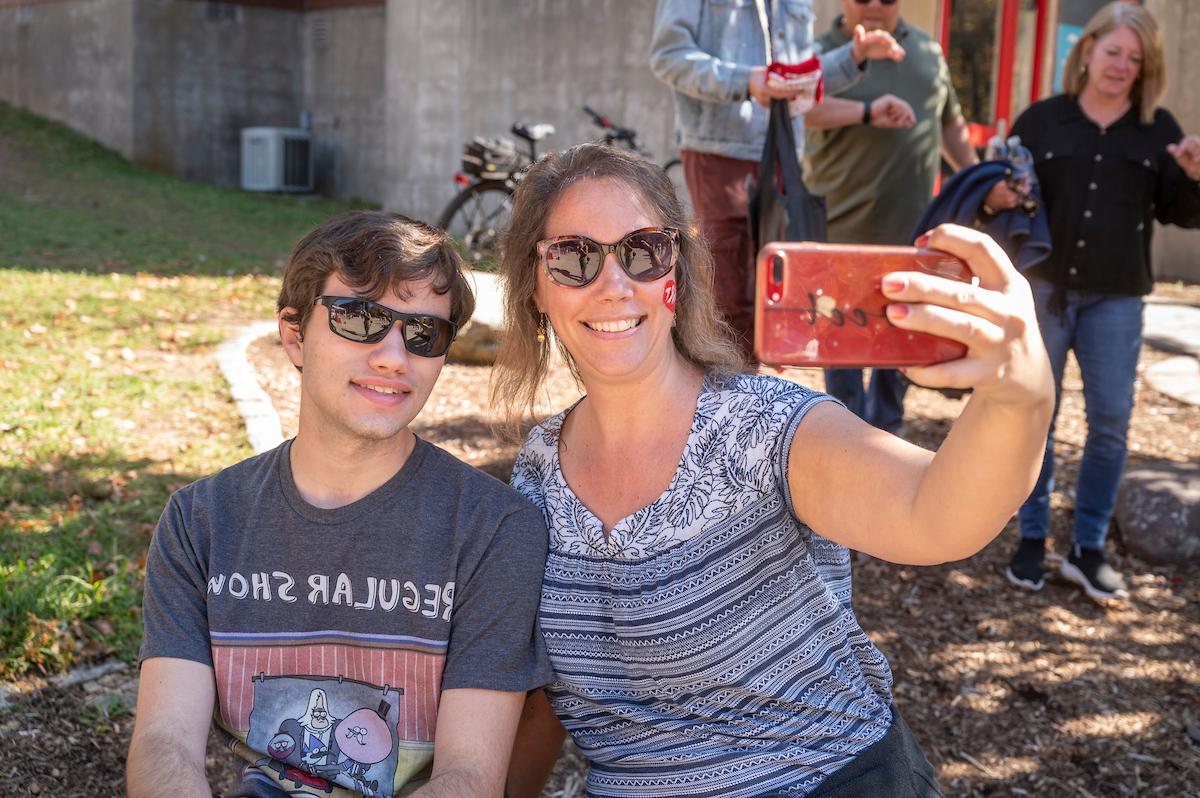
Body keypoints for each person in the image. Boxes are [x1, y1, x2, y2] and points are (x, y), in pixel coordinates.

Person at [493, 143, 1053, 798]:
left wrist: (1021, 398)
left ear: (680, 267)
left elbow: (934, 514)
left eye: (643, 250)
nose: (614, 283)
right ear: (535, 287)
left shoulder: (766, 429)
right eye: (574, 257)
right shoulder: (536, 470)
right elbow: (535, 691)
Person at [126, 211, 553, 798]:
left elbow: (469, 777)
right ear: (295, 335)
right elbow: (163, 743)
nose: (393, 357)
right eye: (361, 319)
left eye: (423, 334)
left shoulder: (494, 530)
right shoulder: (201, 522)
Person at [1001, 2, 1200, 602]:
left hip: (1116, 300)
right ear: (1086, 51)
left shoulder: (1159, 131)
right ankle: (1032, 541)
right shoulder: (1040, 122)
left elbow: (1183, 215)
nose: (1121, 65)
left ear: (1145, 69)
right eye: (1113, 51)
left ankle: (1088, 549)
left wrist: (1194, 177)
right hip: (1045, 290)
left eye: (1134, 59)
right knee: (1035, 418)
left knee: (1110, 425)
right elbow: (1012, 206)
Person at [649, 0, 911, 359]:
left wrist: (852, 57)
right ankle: (723, 403)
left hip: (783, 150)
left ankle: (750, 398)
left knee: (775, 295)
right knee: (731, 293)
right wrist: (745, 80)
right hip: (721, 150)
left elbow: (794, 80)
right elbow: (669, 56)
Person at [805, 0, 1014, 437]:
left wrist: (977, 179)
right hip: (840, 232)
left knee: (900, 346)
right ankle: (841, 443)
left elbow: (949, 124)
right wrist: (866, 111)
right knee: (842, 350)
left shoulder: (927, 52)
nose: (876, 6)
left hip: (913, 235)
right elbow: (801, 108)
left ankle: (884, 439)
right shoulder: (822, 52)